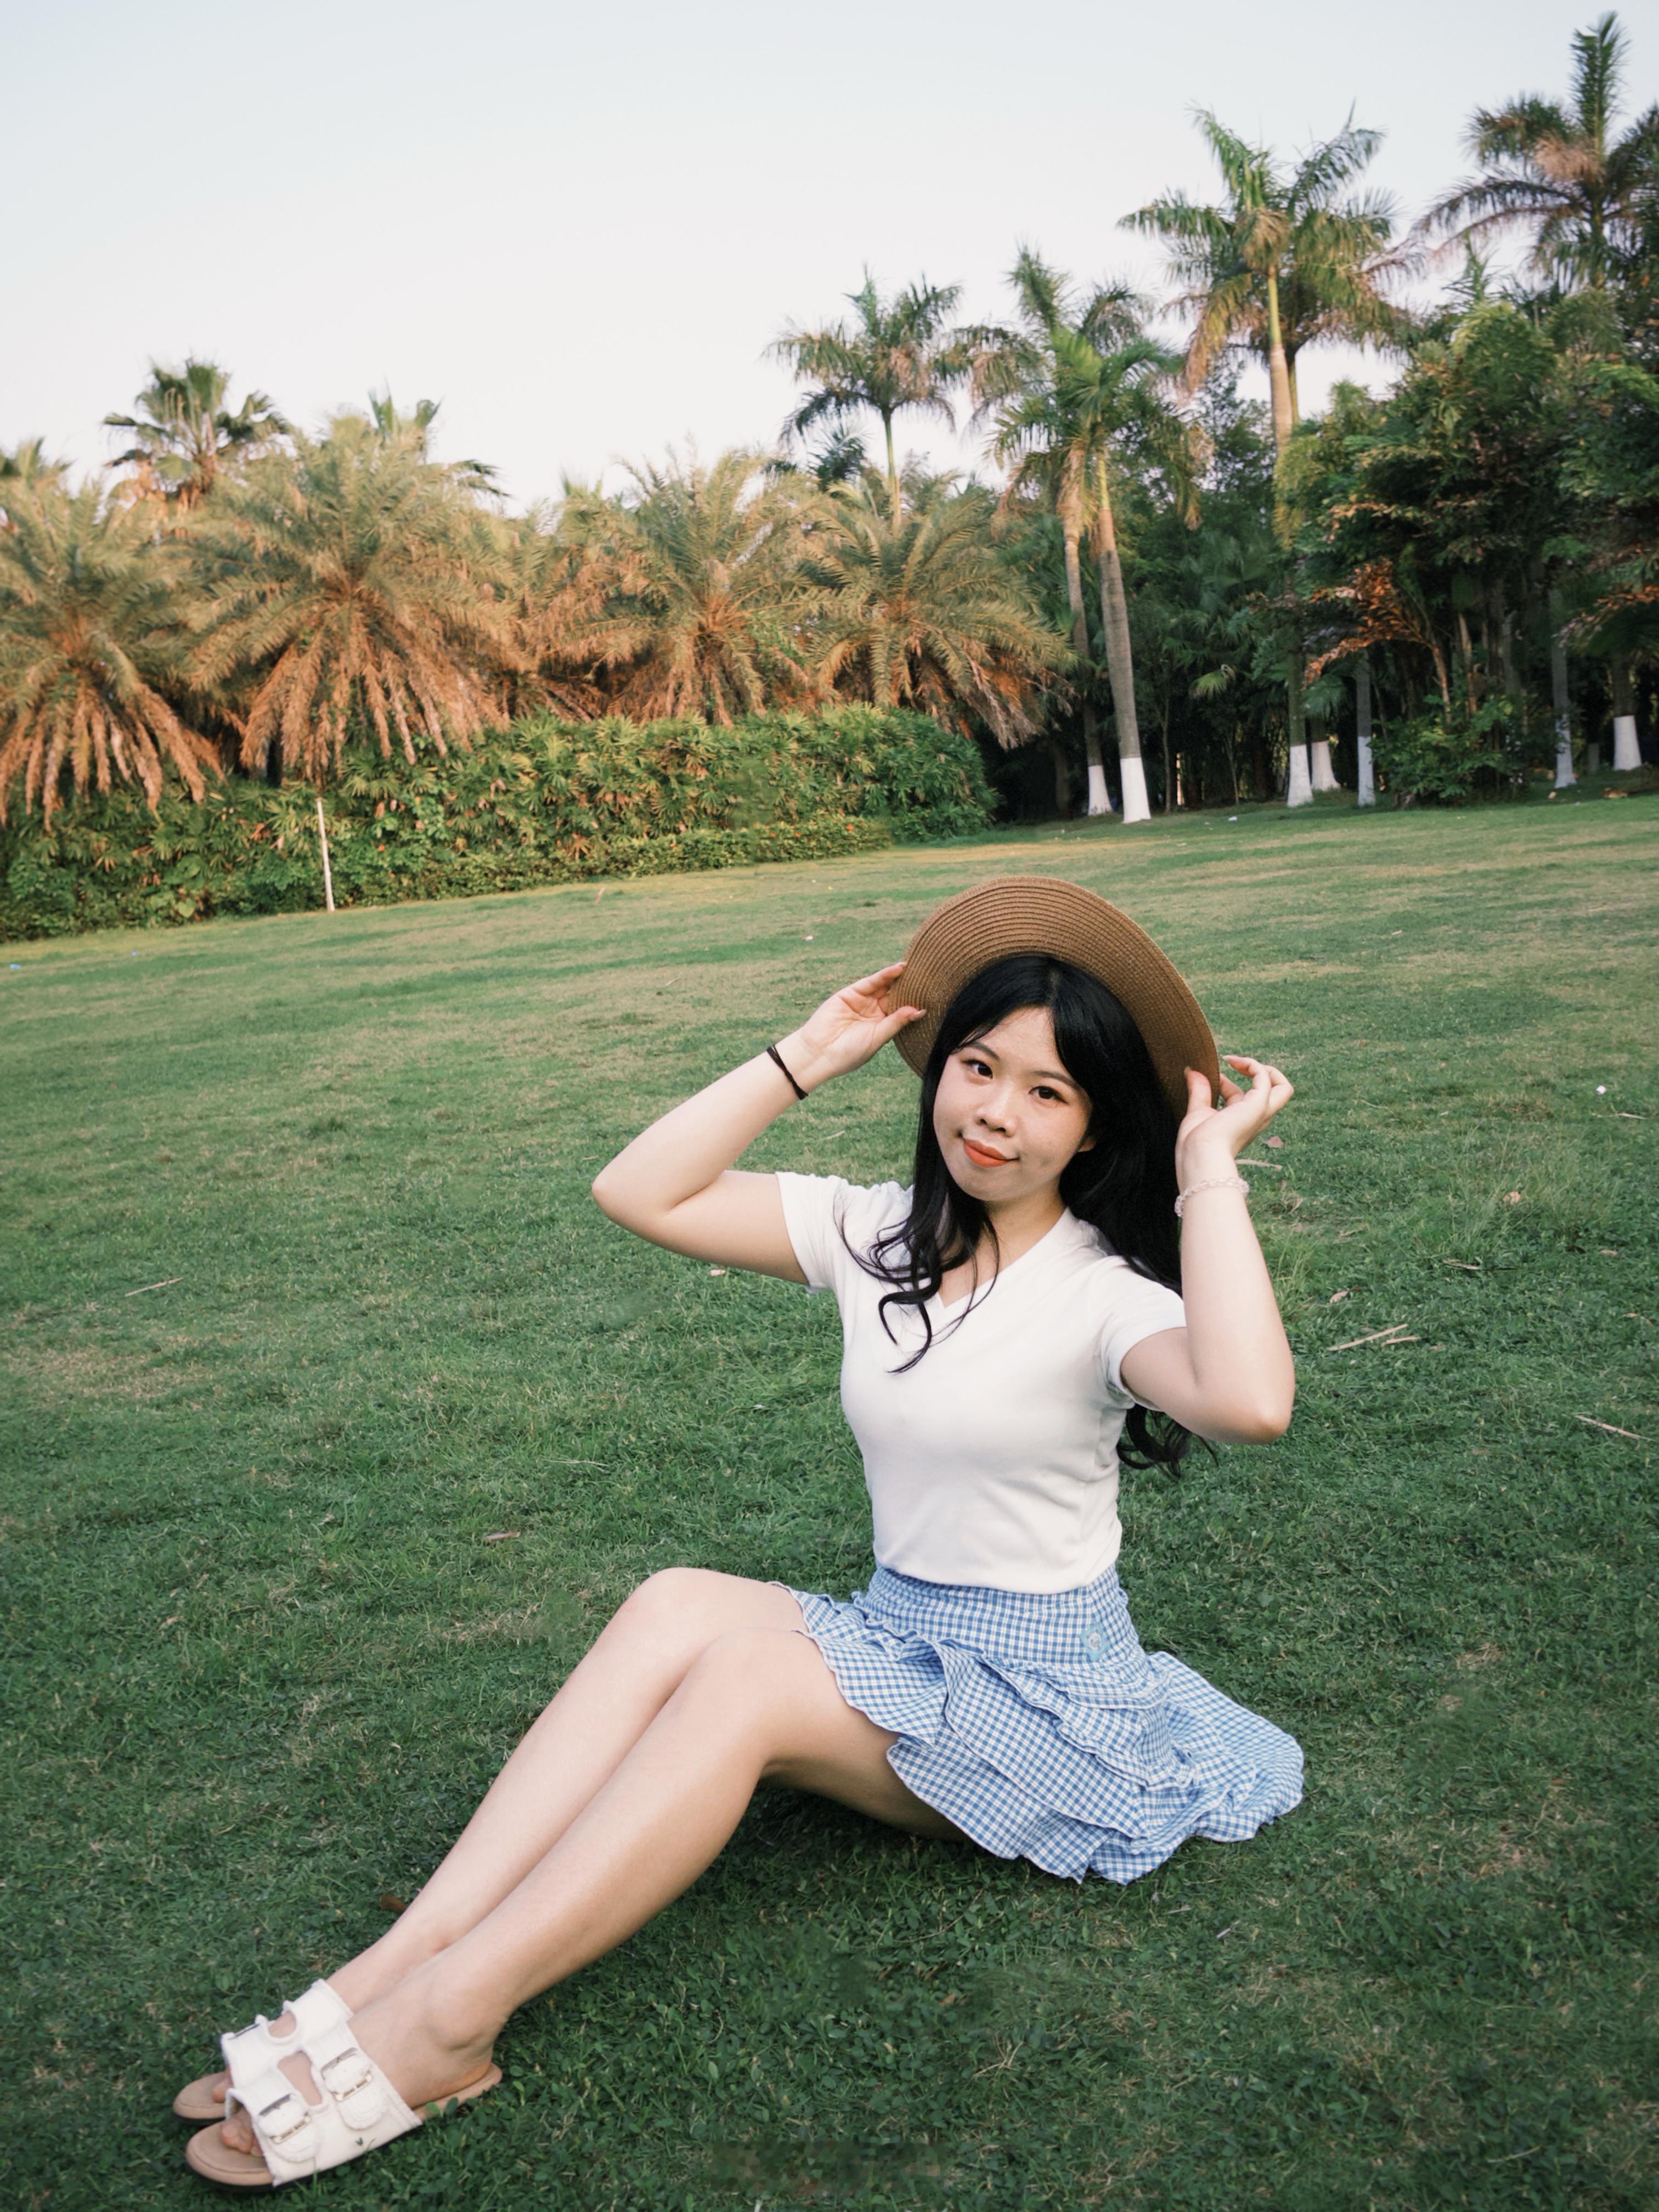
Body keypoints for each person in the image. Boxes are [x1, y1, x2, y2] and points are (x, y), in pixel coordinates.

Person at [179, 875, 1304, 2190]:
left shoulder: (1103, 1298)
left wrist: (1207, 1175)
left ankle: (448, 2026)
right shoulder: (880, 1234)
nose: (996, 1113)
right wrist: (804, 1056)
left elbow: (1251, 1404)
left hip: (1052, 1707)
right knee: (676, 1600)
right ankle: (388, 1971)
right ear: (939, 1067)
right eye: (979, 1067)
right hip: (912, 1637)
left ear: (1094, 1122)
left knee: (750, 1678)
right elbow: (638, 1190)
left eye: (1047, 1092)